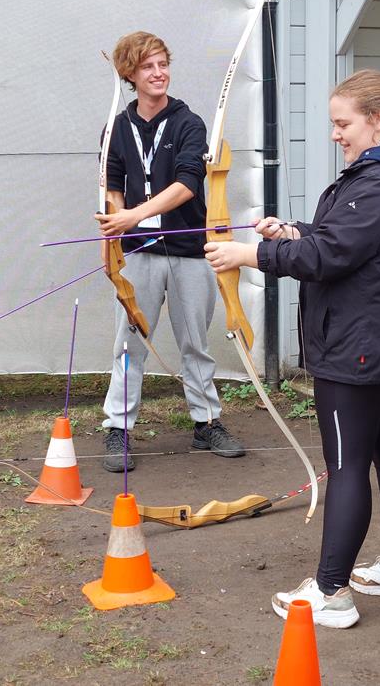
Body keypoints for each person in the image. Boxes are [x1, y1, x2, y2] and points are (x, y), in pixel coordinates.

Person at [205, 69, 380, 628]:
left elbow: (331, 257)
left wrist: (248, 256)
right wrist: (292, 233)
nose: (336, 133)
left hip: (360, 345)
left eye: (343, 123)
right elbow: (346, 242)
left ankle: (331, 593)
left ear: (378, 120)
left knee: (346, 467)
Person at [95, 31, 244, 472]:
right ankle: (118, 429)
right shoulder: (117, 128)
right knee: (130, 342)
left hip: (188, 250)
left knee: (195, 342)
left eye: (163, 64)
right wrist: (116, 218)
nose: (158, 74)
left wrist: (131, 216)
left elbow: (186, 185)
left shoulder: (189, 123)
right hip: (138, 254)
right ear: (130, 75)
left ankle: (207, 423)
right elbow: (114, 187)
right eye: (147, 67)